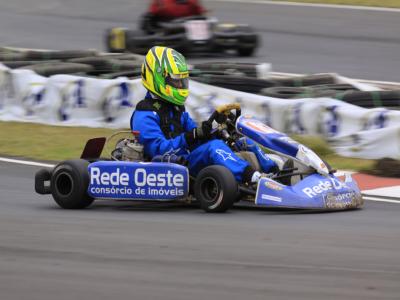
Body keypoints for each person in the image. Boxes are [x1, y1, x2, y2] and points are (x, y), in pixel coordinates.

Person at [130, 46, 278, 184]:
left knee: (242, 141)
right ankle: (254, 179)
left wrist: (218, 131)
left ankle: (275, 172)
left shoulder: (175, 108)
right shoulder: (144, 114)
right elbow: (158, 149)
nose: (180, 86)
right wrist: (192, 136)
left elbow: (197, 135)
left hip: (186, 158)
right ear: (157, 78)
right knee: (213, 148)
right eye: (176, 81)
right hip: (168, 166)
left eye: (182, 81)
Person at [141, 0, 207, 32]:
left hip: (190, 23)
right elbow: (152, 13)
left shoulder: (192, 2)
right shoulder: (162, 2)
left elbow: (200, 13)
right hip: (168, 23)